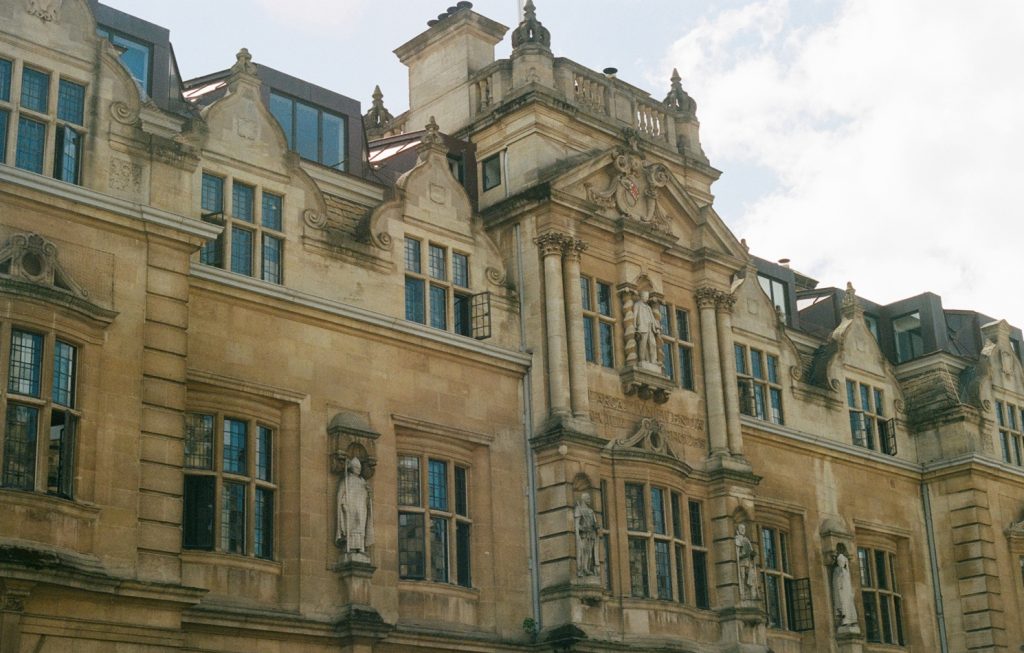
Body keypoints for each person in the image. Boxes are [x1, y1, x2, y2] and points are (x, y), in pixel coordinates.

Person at [336, 456, 373, 554]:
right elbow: (340, 495)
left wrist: (369, 494)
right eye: (357, 468)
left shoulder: (362, 481)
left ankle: (361, 547)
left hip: (361, 507)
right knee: (352, 527)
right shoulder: (346, 480)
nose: (359, 470)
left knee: (361, 526)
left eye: (360, 468)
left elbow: (366, 495)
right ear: (352, 468)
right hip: (351, 507)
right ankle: (350, 546)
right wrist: (343, 504)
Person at [832, 544, 859, 627]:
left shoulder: (846, 571)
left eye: (842, 562)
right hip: (841, 591)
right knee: (843, 605)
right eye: (840, 562)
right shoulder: (837, 570)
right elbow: (836, 583)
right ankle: (844, 620)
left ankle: (851, 620)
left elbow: (848, 582)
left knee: (849, 605)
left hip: (846, 591)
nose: (841, 563)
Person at [574, 493, 599, 576]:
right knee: (583, 551)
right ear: (584, 500)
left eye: (589, 499)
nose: (589, 500)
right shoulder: (579, 509)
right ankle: (582, 569)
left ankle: (587, 568)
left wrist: (596, 527)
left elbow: (595, 523)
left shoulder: (591, 511)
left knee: (589, 553)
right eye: (588, 499)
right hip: (584, 534)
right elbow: (577, 525)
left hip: (591, 534)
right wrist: (583, 529)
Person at [634, 290, 661, 365]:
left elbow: (652, 318)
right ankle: (642, 359)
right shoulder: (637, 304)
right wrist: (634, 326)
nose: (647, 298)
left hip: (650, 327)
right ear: (641, 297)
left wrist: (657, 327)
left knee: (653, 344)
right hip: (642, 327)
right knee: (643, 344)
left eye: (647, 297)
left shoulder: (648, 307)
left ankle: (653, 360)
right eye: (645, 297)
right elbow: (635, 315)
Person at [735, 523, 758, 600]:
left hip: (748, 562)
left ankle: (752, 593)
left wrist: (752, 554)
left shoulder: (747, 540)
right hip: (741, 562)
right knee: (742, 577)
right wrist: (743, 554)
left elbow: (750, 551)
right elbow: (738, 553)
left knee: (751, 575)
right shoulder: (737, 538)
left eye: (744, 528)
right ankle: (742, 594)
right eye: (741, 528)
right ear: (737, 530)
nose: (742, 530)